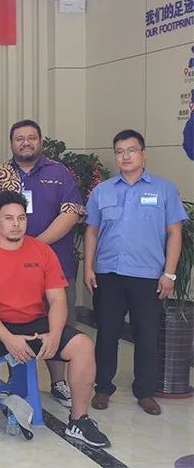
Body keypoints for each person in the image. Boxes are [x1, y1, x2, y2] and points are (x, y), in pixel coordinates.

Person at [0, 191, 108, 449]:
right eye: (9, 218)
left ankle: (79, 420)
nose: (16, 224)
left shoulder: (42, 251)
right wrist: (8, 339)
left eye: (21, 218)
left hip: (35, 322)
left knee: (84, 346)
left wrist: (55, 333)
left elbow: (58, 300)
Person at [0, 119, 86, 409]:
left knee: (58, 322)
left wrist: (34, 245)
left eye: (31, 137)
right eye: (19, 138)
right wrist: (11, 239)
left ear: (40, 141)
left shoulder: (59, 172)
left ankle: (59, 382)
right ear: (12, 143)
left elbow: (71, 212)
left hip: (55, 263)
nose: (25, 142)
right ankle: (16, 380)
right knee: (13, 317)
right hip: (9, 268)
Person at [85, 129, 187, 416]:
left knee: (146, 336)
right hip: (109, 274)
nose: (125, 156)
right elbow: (92, 231)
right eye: (119, 152)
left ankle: (145, 392)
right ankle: (103, 387)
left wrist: (169, 274)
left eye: (131, 150)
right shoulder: (102, 191)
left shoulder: (164, 190)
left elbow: (175, 233)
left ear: (143, 154)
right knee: (107, 334)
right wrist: (89, 267)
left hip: (148, 276)